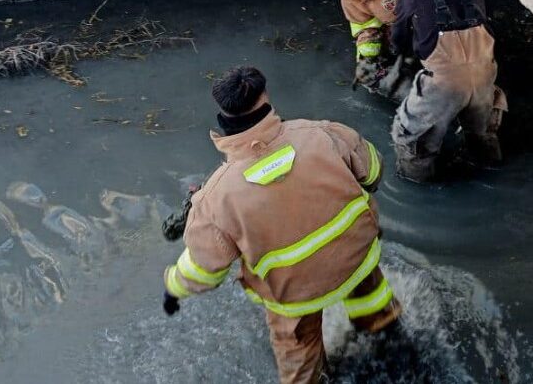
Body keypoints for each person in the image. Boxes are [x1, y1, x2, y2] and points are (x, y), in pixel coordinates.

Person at [161, 66, 401, 384]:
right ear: (267, 101)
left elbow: (204, 270)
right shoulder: (323, 133)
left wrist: (173, 289)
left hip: (294, 297)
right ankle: (386, 331)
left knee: (298, 358)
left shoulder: (215, 198)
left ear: (223, 122)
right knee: (370, 294)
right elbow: (373, 171)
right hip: (358, 259)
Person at [390, 0, 507, 182]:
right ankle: (491, 168)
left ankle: (417, 187)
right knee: (482, 134)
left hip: (445, 81)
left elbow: (399, 36)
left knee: (411, 139)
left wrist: (402, 58)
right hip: (485, 73)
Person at [331, 0, 418, 102]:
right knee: (369, 74)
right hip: (397, 29)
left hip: (429, 19)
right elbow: (365, 27)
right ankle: (414, 99)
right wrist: (367, 60)